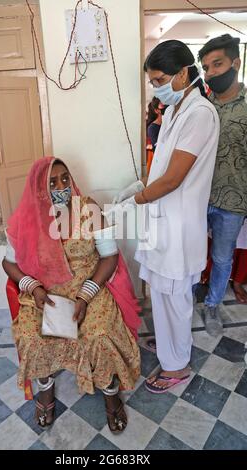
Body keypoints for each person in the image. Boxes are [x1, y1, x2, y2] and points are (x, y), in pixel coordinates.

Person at [110, 40, 220, 393]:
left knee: (174, 296)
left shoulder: (200, 113)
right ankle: (171, 343)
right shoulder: (174, 111)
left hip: (179, 223)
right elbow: (162, 169)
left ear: (183, 73)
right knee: (160, 290)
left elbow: (174, 179)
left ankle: (177, 366)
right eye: (152, 80)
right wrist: (138, 186)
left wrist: (136, 201)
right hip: (162, 219)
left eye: (159, 79)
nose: (156, 86)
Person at [2, 157, 141, 432]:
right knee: (32, 336)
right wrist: (34, 288)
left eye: (65, 178)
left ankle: (111, 394)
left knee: (99, 334)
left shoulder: (88, 209)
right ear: (38, 188)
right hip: (45, 294)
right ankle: (45, 387)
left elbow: (109, 256)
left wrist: (86, 295)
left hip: (89, 286)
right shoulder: (25, 217)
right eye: (52, 182)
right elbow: (9, 263)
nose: (61, 186)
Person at [198, 34, 247, 335]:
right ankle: (188, 294)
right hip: (198, 198)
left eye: (217, 64)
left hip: (233, 202)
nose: (211, 72)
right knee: (190, 249)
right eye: (205, 67)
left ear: (236, 63)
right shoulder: (201, 108)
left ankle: (213, 304)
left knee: (222, 257)